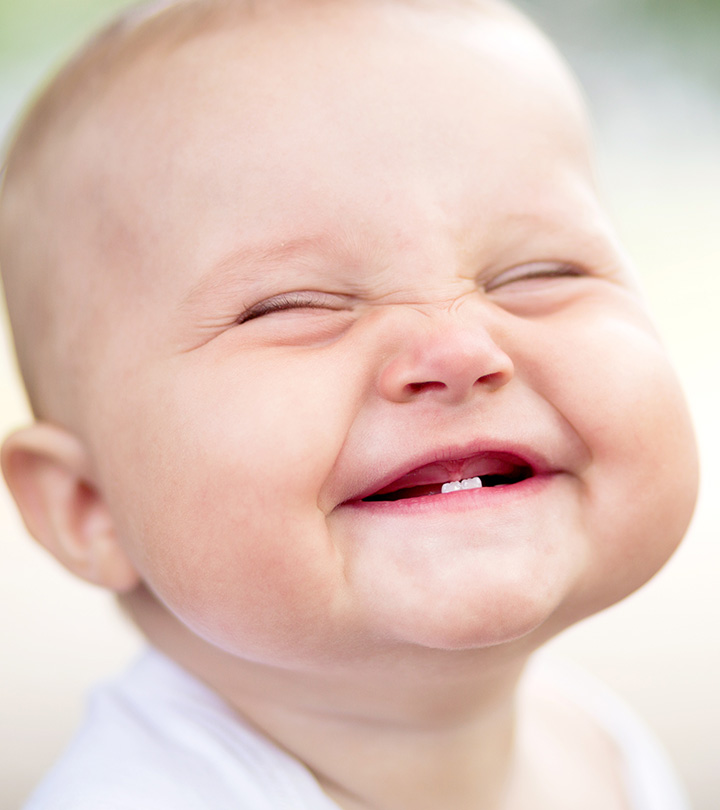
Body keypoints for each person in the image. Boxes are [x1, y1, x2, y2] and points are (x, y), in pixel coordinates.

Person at [0, 0, 700, 808]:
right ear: (89, 505)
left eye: (540, 274)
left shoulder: (599, 747)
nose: (461, 351)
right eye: (293, 306)